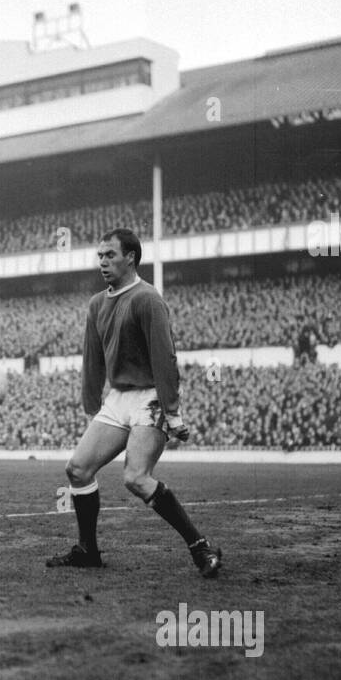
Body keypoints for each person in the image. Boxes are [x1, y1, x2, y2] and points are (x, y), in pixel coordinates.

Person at [47, 228, 222, 577]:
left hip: (150, 398)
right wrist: (91, 403)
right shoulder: (97, 304)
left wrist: (172, 412)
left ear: (131, 257)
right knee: (77, 470)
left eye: (110, 255)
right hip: (118, 399)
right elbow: (92, 358)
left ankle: (200, 547)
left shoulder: (148, 299)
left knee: (136, 477)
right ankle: (88, 551)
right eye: (99, 256)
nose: (102, 262)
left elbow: (164, 355)